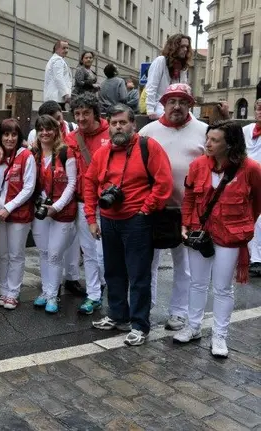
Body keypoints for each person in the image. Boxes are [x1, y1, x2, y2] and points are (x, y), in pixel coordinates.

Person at [87, 104, 173, 346]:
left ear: (133, 124)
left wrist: (146, 209)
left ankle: (139, 325)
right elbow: (89, 182)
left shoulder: (148, 147)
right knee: (113, 272)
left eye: (123, 122)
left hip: (137, 221)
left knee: (138, 275)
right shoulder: (103, 152)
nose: (118, 127)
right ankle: (117, 315)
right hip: (109, 220)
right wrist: (91, 218)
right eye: (114, 123)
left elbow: (164, 182)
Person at [175, 121, 261, 357]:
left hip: (230, 234)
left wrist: (243, 224)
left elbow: (257, 202)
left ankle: (219, 335)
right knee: (197, 282)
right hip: (200, 231)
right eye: (208, 138)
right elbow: (189, 197)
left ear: (230, 144)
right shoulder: (198, 165)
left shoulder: (251, 169)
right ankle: (193, 326)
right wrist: (185, 224)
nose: (208, 144)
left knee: (223, 287)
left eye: (215, 140)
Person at [139, 83, 207, 331]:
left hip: (189, 211)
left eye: (182, 101)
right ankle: (145, 308)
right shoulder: (148, 130)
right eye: (171, 101)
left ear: (190, 105)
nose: (176, 106)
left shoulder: (203, 131)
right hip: (154, 208)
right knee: (148, 263)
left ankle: (179, 312)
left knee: (184, 265)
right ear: (163, 104)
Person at [64, 94, 111, 310]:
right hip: (84, 201)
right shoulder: (72, 138)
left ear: (95, 113)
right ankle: (93, 294)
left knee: (104, 254)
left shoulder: (111, 132)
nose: (81, 118)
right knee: (89, 251)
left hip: (109, 202)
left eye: (86, 113)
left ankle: (106, 286)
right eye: (77, 114)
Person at [0, 119, 36, 309]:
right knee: (1, 254)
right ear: (0, 137)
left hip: (18, 214)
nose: (10, 138)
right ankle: (4, 290)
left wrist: (9, 208)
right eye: (6, 134)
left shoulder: (26, 156)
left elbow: (29, 188)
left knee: (16, 255)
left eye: (14, 134)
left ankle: (13, 293)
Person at [31, 115, 78, 313]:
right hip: (41, 210)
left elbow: (72, 183)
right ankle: (45, 290)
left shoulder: (66, 152)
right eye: (41, 129)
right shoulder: (34, 154)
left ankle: (53, 295)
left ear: (56, 130)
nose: (45, 133)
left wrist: (56, 207)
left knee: (55, 254)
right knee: (43, 253)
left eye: (48, 128)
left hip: (63, 211)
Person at [145, 34, 192, 119]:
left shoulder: (182, 67)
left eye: (187, 47)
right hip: (160, 106)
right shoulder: (160, 61)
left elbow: (182, 88)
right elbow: (151, 86)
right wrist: (150, 109)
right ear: (174, 47)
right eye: (182, 46)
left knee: (192, 120)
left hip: (177, 106)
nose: (185, 49)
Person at [242, 99, 261, 276]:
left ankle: (257, 259)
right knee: (249, 218)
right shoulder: (246, 130)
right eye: (258, 109)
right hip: (246, 180)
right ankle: (252, 257)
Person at [43, 40, 73, 109]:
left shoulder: (54, 59)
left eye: (67, 48)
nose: (66, 50)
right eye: (64, 48)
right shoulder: (58, 60)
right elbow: (59, 78)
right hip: (57, 98)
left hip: (54, 98)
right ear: (56, 49)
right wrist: (66, 94)